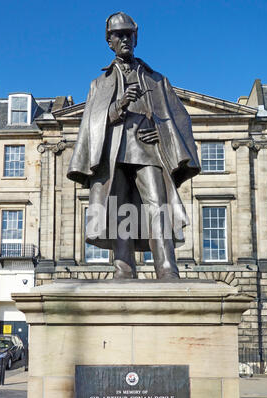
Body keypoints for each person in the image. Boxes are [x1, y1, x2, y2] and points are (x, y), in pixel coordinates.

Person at [67, 12, 200, 280]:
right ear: (109, 41)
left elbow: (179, 118)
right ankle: (123, 267)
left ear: (136, 37)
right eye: (119, 35)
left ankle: (166, 267)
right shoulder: (99, 83)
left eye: (129, 34)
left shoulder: (156, 79)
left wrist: (162, 135)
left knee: (158, 206)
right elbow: (92, 123)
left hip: (148, 151)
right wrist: (119, 105)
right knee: (117, 208)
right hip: (113, 152)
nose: (125, 39)